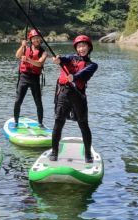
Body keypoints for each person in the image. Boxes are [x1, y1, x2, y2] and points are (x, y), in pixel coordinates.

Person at [50, 35, 98, 163]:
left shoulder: (92, 65)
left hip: (78, 95)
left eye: (84, 46)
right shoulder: (70, 58)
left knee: (83, 124)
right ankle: (54, 152)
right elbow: (63, 59)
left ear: (89, 47)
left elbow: (84, 73)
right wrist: (58, 59)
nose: (81, 48)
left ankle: (88, 154)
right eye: (79, 46)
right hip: (64, 94)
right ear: (76, 48)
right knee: (58, 122)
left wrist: (74, 77)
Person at [13, 29, 48, 127]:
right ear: (31, 39)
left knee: (38, 102)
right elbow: (17, 55)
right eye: (34, 38)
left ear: (40, 39)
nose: (36, 40)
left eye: (38, 38)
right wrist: (22, 45)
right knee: (18, 101)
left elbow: (40, 63)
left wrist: (28, 59)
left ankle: (40, 123)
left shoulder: (43, 52)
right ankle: (16, 121)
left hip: (34, 78)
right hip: (24, 77)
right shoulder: (25, 48)